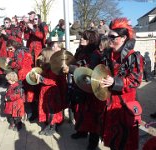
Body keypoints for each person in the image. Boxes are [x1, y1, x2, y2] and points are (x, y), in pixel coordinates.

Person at [101, 18, 144, 150]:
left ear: (124, 38)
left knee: (125, 141)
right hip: (110, 103)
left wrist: (115, 81)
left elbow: (135, 80)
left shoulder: (133, 56)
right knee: (113, 139)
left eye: (113, 37)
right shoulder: (108, 54)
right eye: (108, 36)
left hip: (125, 106)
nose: (109, 40)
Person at [62, 30, 105, 150]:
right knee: (79, 111)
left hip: (90, 89)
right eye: (81, 37)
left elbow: (88, 71)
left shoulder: (95, 54)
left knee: (92, 116)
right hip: (79, 85)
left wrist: (70, 69)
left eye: (84, 38)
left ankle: (93, 141)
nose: (81, 39)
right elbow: (75, 62)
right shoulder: (80, 50)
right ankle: (81, 131)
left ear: (91, 40)